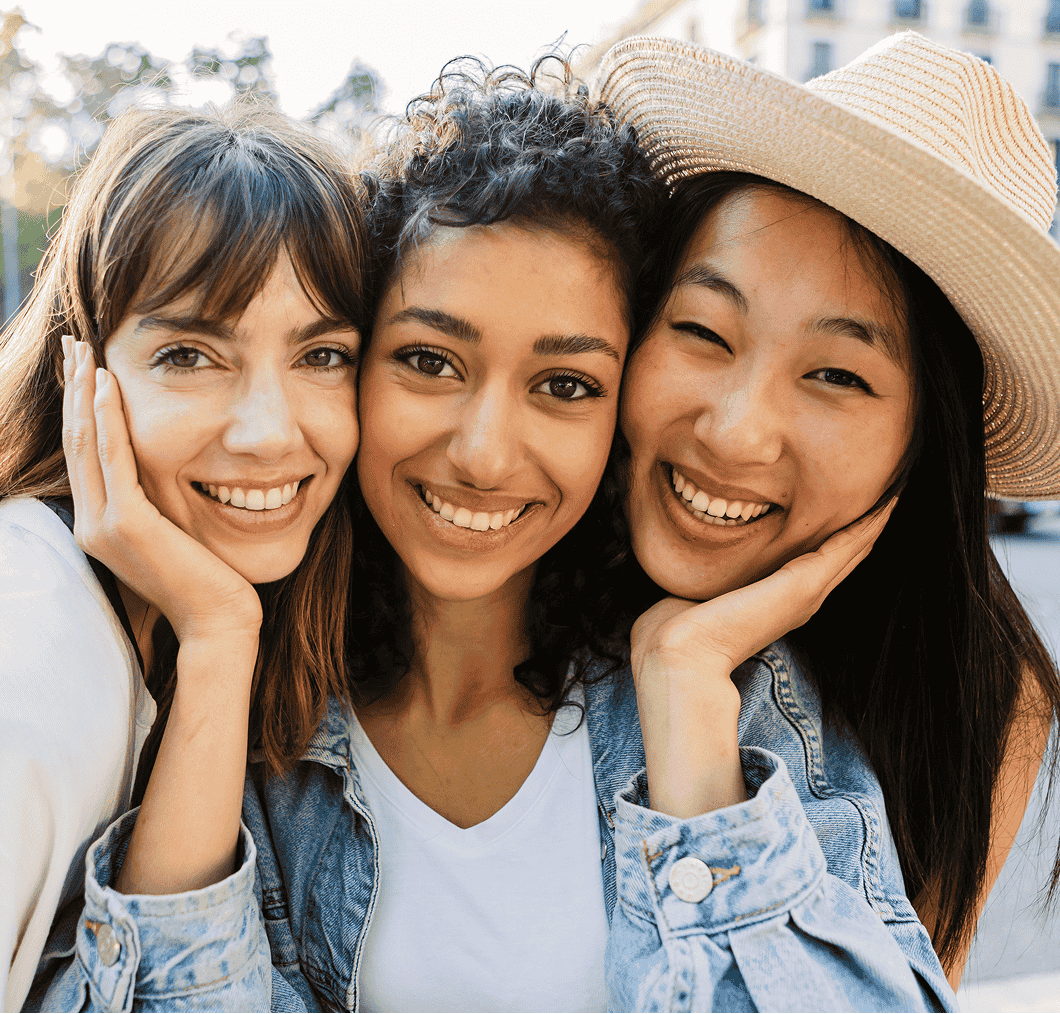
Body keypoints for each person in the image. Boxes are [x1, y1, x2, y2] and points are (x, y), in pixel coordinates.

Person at [29, 57, 958, 1013]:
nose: (483, 454)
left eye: (565, 385)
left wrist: (686, 713)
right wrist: (223, 647)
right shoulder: (253, 722)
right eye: (430, 360)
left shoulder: (743, 704)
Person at [597, 29, 1060, 988]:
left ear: (926, 441)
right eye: (701, 330)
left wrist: (689, 706)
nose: (735, 433)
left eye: (837, 375)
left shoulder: (976, 695)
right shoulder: (474, 580)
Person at [0, 102, 367, 1011]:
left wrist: (217, 635)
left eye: (322, 355)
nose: (269, 432)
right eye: (191, 356)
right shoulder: (31, 653)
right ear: (79, 374)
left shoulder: (169, 619)